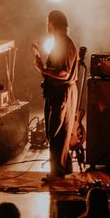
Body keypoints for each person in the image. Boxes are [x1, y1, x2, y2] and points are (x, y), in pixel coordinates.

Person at [32, 9, 78, 180]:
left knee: (55, 131)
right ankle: (62, 168)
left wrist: (42, 68)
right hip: (61, 91)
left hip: (61, 92)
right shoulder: (63, 42)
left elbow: (64, 73)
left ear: (51, 23)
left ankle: (56, 171)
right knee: (61, 131)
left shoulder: (62, 44)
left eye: (47, 23)